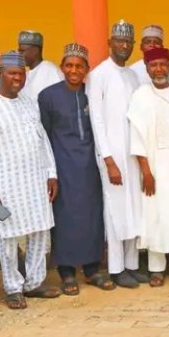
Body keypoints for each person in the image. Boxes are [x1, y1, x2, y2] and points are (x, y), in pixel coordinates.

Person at [0, 51, 61, 309]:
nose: (17, 78)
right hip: (4, 187)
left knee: (40, 231)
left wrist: (51, 173)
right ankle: (12, 288)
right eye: (12, 73)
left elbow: (43, 141)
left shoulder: (30, 102)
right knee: (8, 235)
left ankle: (34, 283)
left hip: (35, 181)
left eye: (21, 74)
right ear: (0, 74)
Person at [38, 43, 115, 295]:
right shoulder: (48, 96)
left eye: (79, 66)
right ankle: (67, 272)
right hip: (62, 166)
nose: (74, 70)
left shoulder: (91, 94)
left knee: (92, 216)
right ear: (62, 67)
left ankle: (92, 270)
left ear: (86, 69)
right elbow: (43, 137)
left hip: (90, 166)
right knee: (65, 217)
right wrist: (48, 172)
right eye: (69, 65)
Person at [87, 20, 147, 288]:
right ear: (109, 43)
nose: (124, 46)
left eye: (128, 42)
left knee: (134, 208)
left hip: (133, 152)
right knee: (115, 211)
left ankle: (132, 265)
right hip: (112, 155)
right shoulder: (99, 75)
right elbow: (97, 119)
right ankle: (116, 267)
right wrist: (108, 159)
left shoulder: (132, 75)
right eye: (119, 41)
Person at [127, 47, 169, 287]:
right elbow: (136, 136)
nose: (159, 69)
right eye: (153, 65)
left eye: (163, 64)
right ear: (146, 69)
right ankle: (156, 268)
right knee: (154, 215)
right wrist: (146, 171)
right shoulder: (141, 95)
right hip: (153, 165)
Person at [18, 30, 64, 101]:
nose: (19, 54)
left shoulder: (50, 71)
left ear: (35, 51)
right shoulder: (26, 75)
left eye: (22, 51)